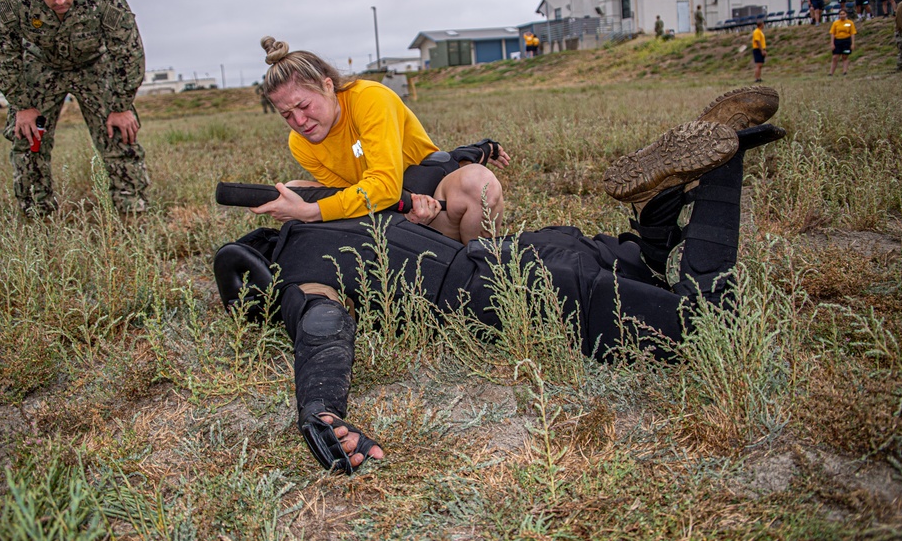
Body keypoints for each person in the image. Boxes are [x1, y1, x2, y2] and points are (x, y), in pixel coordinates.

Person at [213, 86, 784, 473]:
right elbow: (424, 187)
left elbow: (321, 320)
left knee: (698, 324)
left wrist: (320, 409)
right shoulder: (349, 207)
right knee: (639, 262)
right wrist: (464, 168)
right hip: (519, 252)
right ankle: (665, 205)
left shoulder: (308, 255)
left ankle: (720, 168)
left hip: (493, 288)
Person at [250, 36, 509, 244]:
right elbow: (346, 194)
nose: (300, 121)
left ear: (328, 86)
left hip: (429, 202)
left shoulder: (370, 98)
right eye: (287, 115)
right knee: (295, 190)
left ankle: (479, 267)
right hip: (385, 214)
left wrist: (310, 212)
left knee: (479, 182)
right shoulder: (300, 143)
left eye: (304, 105)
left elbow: (384, 186)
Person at [0, 0, 148, 216]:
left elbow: (128, 51)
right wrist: (22, 105)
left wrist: (121, 106)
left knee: (120, 133)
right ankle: (37, 215)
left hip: (94, 66)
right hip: (41, 65)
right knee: (28, 137)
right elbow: (2, 52)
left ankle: (132, 209)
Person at [828, 7, 857, 76]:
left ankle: (845, 71)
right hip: (837, 41)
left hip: (846, 41)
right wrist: (832, 43)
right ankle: (831, 73)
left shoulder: (850, 23)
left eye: (843, 14)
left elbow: (852, 33)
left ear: (846, 14)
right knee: (835, 57)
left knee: (845, 56)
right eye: (840, 14)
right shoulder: (836, 23)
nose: (842, 15)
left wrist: (852, 43)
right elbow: (832, 33)